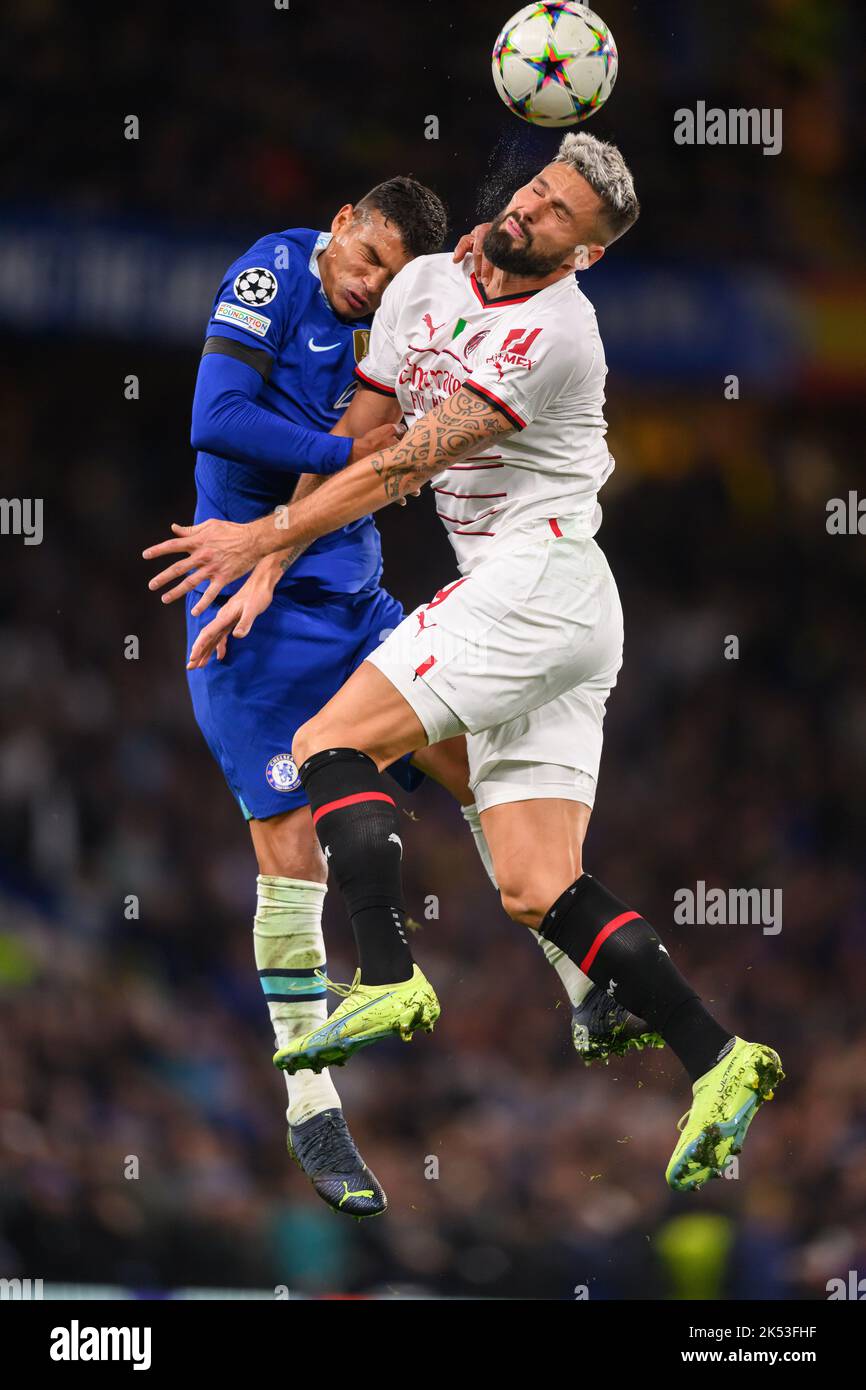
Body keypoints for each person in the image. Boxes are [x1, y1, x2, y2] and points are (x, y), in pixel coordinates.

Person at [162, 172, 655, 1218]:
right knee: (290, 862)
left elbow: (458, 322)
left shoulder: (412, 302)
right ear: (339, 225)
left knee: (479, 767)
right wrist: (348, 463)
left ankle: (582, 981)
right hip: (249, 621)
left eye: (391, 277)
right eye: (365, 261)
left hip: (344, 590)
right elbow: (218, 419)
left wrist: (307, 520)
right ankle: (310, 1105)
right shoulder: (274, 271)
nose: (370, 287)